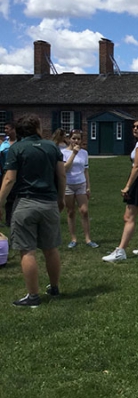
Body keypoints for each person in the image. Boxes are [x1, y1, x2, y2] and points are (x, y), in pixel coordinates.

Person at [0, 114, 65, 307]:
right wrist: (60, 198)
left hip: (26, 203)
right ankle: (54, 287)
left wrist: (0, 203)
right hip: (49, 202)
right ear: (37, 127)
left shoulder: (16, 148)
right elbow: (61, 175)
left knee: (27, 250)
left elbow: (10, 179)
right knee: (50, 248)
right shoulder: (52, 147)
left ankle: (33, 296)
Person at [103, 119, 138, 262]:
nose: (135, 129)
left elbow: (137, 166)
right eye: (133, 127)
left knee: (129, 217)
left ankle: (121, 250)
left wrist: (128, 186)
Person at [62, 129, 97, 248]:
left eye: (78, 139)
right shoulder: (64, 153)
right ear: (69, 139)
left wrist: (88, 186)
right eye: (74, 138)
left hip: (81, 183)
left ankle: (88, 239)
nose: (76, 141)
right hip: (68, 185)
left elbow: (86, 170)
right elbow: (65, 168)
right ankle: (73, 239)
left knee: (84, 211)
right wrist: (74, 154)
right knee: (71, 212)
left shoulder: (84, 153)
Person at [0, 122, 18, 226]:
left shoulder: (19, 143)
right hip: (5, 172)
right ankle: (8, 220)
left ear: (13, 129)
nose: (5, 130)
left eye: (7, 128)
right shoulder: (4, 144)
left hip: (17, 173)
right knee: (8, 197)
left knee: (16, 197)